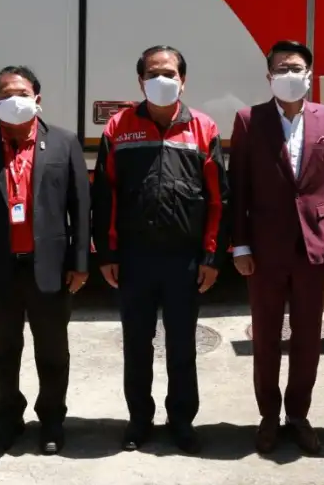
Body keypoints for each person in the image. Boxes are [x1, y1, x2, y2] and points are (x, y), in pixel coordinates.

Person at [92, 45, 229, 454]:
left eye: (170, 73)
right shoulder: (119, 127)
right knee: (137, 345)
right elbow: (105, 195)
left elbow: (218, 199)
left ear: (183, 81)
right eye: (153, 73)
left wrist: (211, 257)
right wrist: (107, 254)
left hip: (184, 260)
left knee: (182, 345)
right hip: (134, 259)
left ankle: (182, 420)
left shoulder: (203, 127)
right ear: (140, 81)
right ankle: (139, 419)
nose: (162, 80)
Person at [0, 66, 90, 456]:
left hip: (50, 268)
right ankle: (8, 419)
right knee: (2, 352)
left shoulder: (63, 143)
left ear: (37, 99)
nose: (15, 100)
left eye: (22, 93)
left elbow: (81, 208)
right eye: (6, 95)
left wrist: (81, 263)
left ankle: (52, 420)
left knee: (53, 352)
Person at [228, 40, 324, 455]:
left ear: (309, 74)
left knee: (307, 337)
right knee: (265, 337)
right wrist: (240, 246)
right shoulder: (249, 120)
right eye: (281, 68)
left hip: (313, 246)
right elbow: (238, 186)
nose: (289, 74)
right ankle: (268, 416)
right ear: (269, 77)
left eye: (296, 67)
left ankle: (298, 415)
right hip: (264, 248)